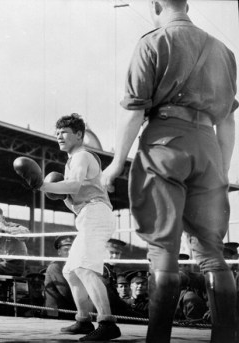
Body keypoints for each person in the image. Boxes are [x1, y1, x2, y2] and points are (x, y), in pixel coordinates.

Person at [101, 1, 238, 341]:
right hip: (208, 146)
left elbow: (134, 111)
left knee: (163, 247)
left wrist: (116, 163)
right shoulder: (223, 51)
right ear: (187, 4)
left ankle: (158, 338)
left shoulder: (152, 42)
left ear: (156, 5)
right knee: (211, 252)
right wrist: (220, 170)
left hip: (165, 141)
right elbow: (228, 121)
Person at [15, 113, 121, 340]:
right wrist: (54, 192)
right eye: (57, 133)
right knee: (70, 272)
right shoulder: (71, 162)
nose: (58, 136)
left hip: (97, 214)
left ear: (79, 135)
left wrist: (42, 184)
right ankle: (83, 320)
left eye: (64, 132)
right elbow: (76, 201)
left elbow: (73, 185)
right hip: (88, 215)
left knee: (83, 269)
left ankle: (107, 322)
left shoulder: (82, 156)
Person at [44, 235, 76, 319]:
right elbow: (65, 292)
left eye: (72, 250)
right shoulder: (55, 266)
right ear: (59, 252)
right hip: (58, 314)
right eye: (66, 250)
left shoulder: (73, 266)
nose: (70, 253)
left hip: (69, 311)